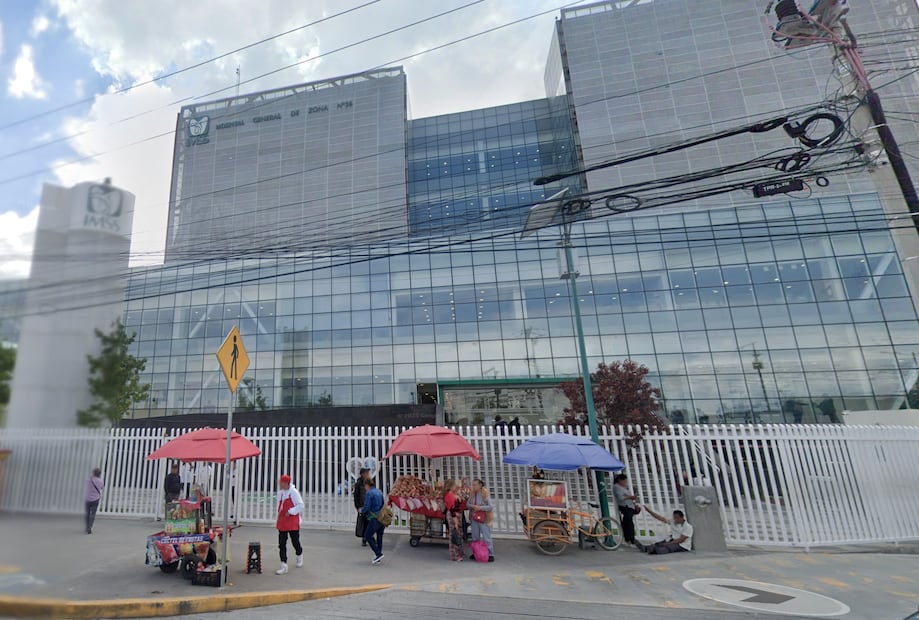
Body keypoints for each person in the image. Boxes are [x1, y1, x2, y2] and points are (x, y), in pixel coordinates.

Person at [275, 474, 304, 574]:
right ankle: (283, 564)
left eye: (281, 482)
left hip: (292, 520)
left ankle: (299, 554)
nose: (279, 484)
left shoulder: (294, 492)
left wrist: (291, 511)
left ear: (286, 483)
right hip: (283, 520)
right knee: (282, 543)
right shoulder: (280, 493)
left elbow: (301, 505)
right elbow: (280, 506)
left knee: (295, 541)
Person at [468, 478, 495, 562]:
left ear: (480, 485)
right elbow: (467, 504)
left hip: (484, 517)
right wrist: (473, 506)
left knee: (486, 536)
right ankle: (476, 552)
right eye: (473, 485)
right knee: (475, 536)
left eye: (475, 485)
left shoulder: (485, 493)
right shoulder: (472, 493)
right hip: (474, 517)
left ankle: (490, 554)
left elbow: (490, 507)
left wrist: (480, 508)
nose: (473, 486)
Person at [361, 478, 386, 565]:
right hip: (381, 517)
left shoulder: (369, 493)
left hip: (374, 518)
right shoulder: (379, 492)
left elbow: (367, 506)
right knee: (379, 536)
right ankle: (378, 557)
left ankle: (378, 554)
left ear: (367, 485)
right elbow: (383, 504)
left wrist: (362, 510)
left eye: (365, 486)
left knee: (367, 535)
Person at [613, 474, 638, 546]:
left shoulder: (625, 487)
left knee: (627, 522)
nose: (625, 482)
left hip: (630, 506)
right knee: (628, 522)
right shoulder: (617, 487)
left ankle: (628, 538)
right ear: (619, 480)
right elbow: (620, 497)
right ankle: (630, 538)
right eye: (624, 481)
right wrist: (630, 497)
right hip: (625, 506)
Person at [444, 479, 465, 561]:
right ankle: (455, 555)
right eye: (454, 485)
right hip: (453, 516)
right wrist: (455, 521)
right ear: (450, 486)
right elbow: (452, 509)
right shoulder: (449, 495)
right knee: (454, 534)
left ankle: (459, 552)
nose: (455, 486)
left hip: (457, 514)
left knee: (459, 534)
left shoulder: (453, 494)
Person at [353, 467, 370, 546]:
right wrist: (357, 506)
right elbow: (356, 496)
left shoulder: (369, 482)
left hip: (369, 505)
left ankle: (368, 537)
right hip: (362, 505)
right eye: (366, 473)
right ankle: (364, 539)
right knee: (364, 522)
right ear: (362, 474)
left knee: (370, 522)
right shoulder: (358, 484)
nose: (368, 474)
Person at [84, 467, 104, 534]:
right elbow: (101, 487)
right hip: (95, 499)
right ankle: (89, 527)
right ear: (99, 474)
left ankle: (87, 526)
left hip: (87, 499)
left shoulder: (88, 480)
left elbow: (85, 485)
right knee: (93, 514)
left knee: (87, 514)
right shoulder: (100, 481)